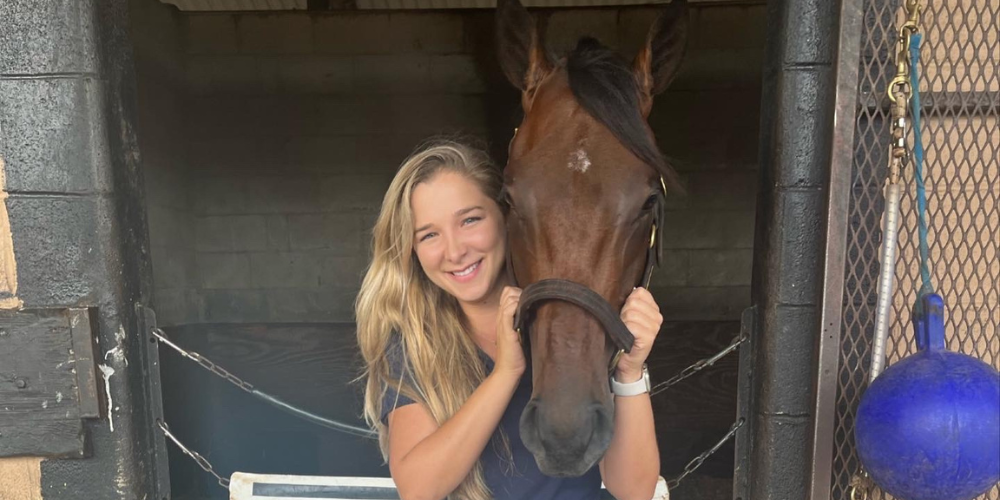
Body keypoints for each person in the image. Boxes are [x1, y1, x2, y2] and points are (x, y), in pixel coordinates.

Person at [355, 139, 663, 500]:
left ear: (506, 216)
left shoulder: (567, 323)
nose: (455, 251)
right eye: (429, 235)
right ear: (413, 249)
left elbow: (634, 490)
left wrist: (629, 373)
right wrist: (505, 372)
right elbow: (419, 488)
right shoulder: (415, 344)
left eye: (470, 220)